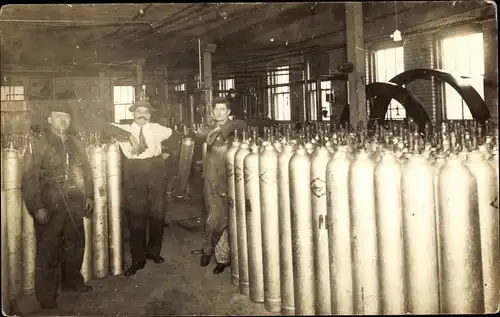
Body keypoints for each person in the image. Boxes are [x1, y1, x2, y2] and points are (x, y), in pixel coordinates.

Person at [21, 103, 95, 310]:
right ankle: (47, 296)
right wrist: (37, 207)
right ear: (49, 120)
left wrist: (89, 196)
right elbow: (29, 178)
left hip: (73, 203)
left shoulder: (75, 142)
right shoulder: (39, 143)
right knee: (49, 250)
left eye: (66, 117)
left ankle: (71, 282)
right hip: (50, 205)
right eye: (58, 116)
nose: (63, 120)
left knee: (75, 245)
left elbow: (86, 170)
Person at [112, 99, 174, 277]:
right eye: (138, 111)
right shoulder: (123, 129)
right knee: (136, 217)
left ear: (150, 114)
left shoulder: (157, 128)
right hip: (134, 173)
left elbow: (176, 135)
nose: (142, 115)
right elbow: (102, 126)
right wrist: (127, 136)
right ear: (132, 113)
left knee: (157, 214)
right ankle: (138, 260)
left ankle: (154, 252)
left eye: (145, 112)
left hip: (155, 171)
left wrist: (168, 152)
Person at [200, 97, 248, 274]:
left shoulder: (234, 128)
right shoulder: (207, 129)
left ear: (228, 112)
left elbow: (243, 124)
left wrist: (221, 128)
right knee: (214, 217)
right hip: (211, 181)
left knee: (229, 219)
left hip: (230, 181)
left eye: (222, 109)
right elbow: (201, 135)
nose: (219, 112)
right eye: (216, 109)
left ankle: (223, 257)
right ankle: (212, 252)